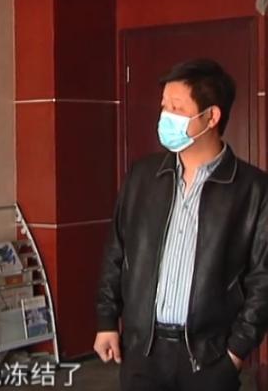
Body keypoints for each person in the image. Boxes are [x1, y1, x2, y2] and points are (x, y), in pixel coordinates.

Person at [94, 59, 268, 391]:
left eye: (176, 108)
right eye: (164, 106)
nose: (165, 117)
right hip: (142, 352)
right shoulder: (143, 177)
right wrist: (107, 321)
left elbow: (263, 280)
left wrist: (235, 353)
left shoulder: (253, 190)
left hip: (209, 357)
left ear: (211, 117)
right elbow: (117, 251)